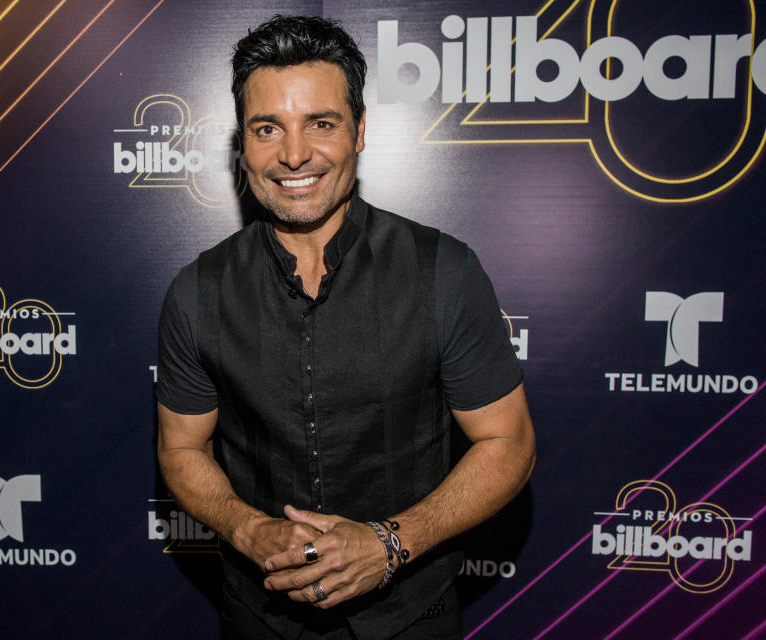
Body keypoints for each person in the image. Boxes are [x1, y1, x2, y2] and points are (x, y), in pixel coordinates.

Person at [156, 15, 535, 640]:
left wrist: (391, 543)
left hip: (413, 619)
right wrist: (249, 530)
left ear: (359, 131)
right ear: (241, 146)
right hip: (261, 620)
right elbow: (180, 448)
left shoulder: (443, 270)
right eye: (268, 128)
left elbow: (510, 445)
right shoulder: (198, 291)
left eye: (321, 124)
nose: (295, 154)